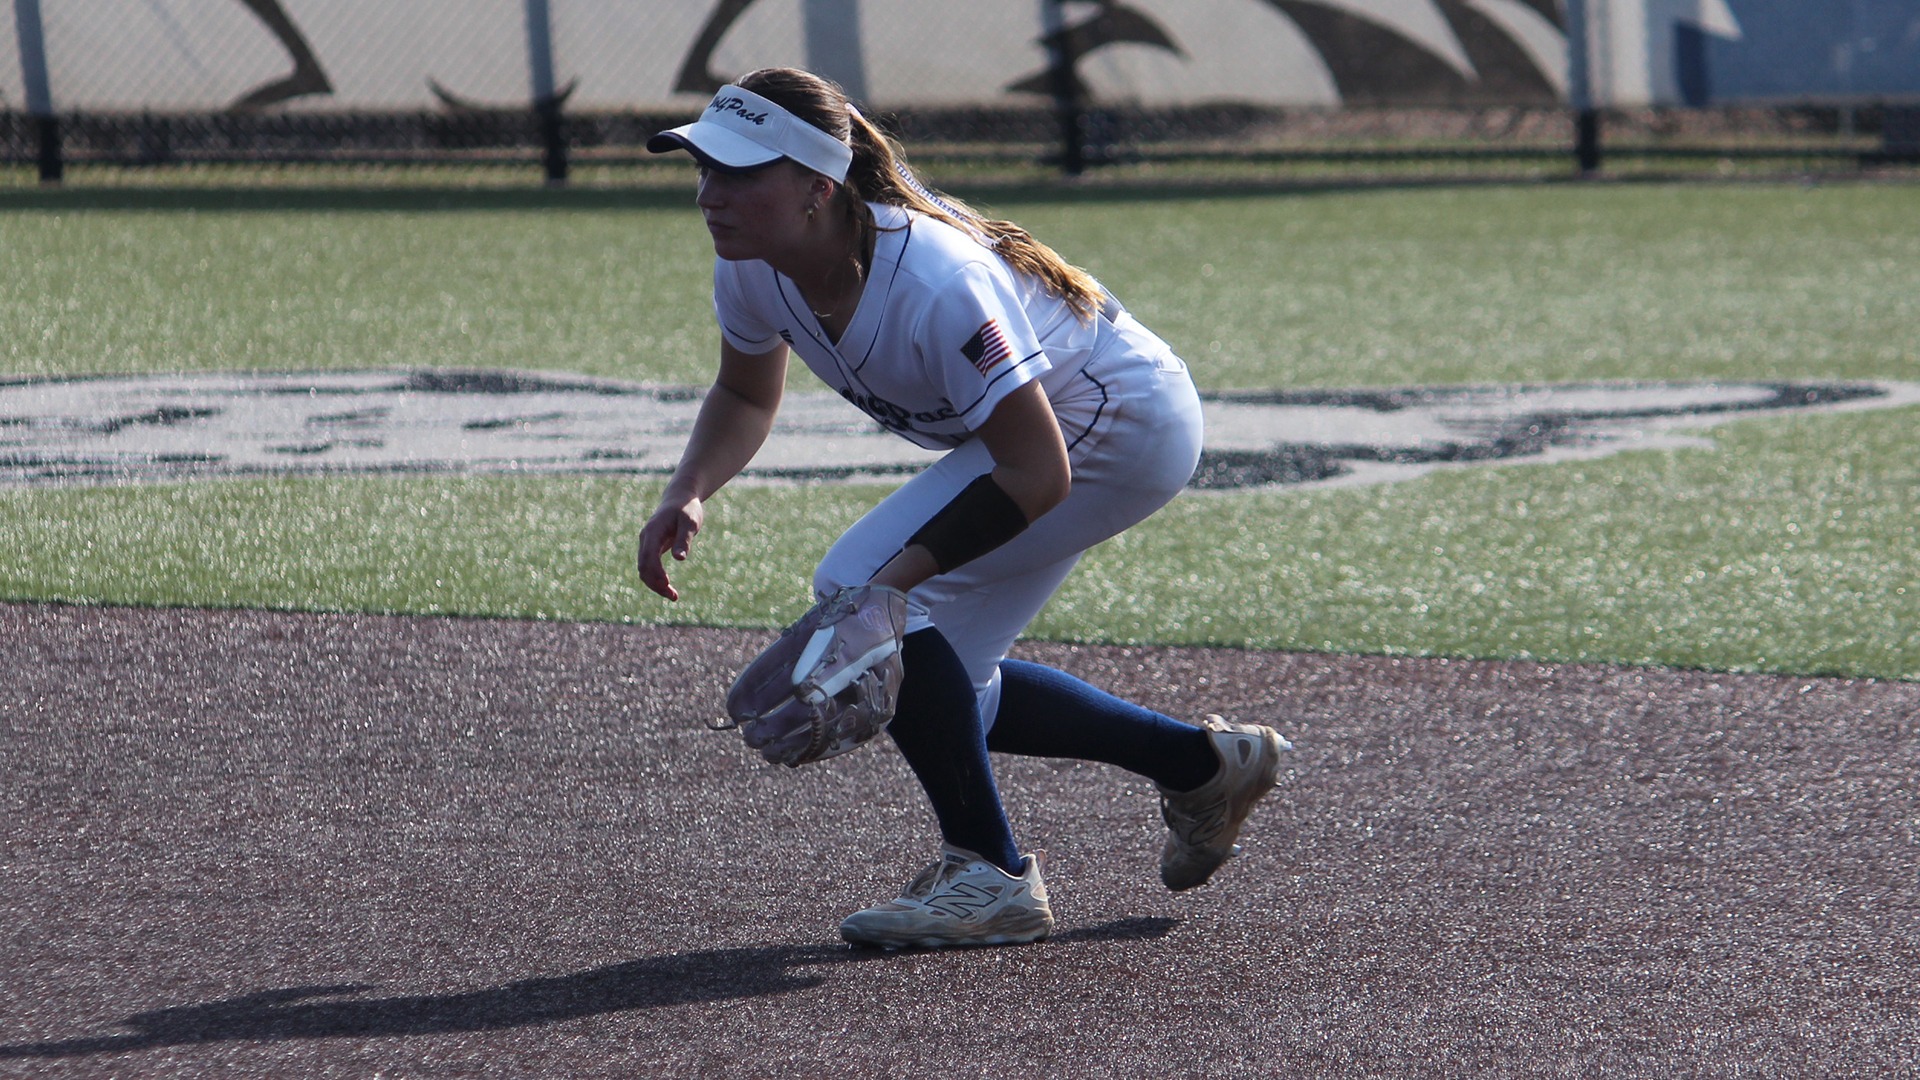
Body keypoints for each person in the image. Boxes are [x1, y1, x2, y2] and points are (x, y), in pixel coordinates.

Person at [639, 67, 1291, 950]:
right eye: (704, 167)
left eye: (740, 171)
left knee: (862, 587)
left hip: (1115, 420)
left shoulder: (936, 281)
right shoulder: (753, 265)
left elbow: (1036, 473)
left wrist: (889, 590)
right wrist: (688, 489)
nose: (710, 193)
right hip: (1049, 433)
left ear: (817, 187)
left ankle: (990, 874)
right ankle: (1201, 764)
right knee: (948, 686)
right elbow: (746, 395)